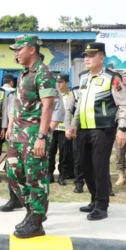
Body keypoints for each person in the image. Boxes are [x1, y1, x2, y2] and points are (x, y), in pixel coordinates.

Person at [6, 35, 57, 238]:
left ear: (32, 49)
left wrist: (42, 137)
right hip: (19, 135)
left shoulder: (43, 73)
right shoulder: (25, 73)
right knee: (13, 175)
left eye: (19, 49)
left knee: (35, 178)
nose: (16, 53)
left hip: (35, 134)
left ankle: (36, 221)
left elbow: (48, 106)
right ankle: (32, 212)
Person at [70, 43, 126, 221]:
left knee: (99, 167)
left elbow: (123, 104)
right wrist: (74, 123)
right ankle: (94, 199)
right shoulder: (84, 77)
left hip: (103, 129)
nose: (87, 58)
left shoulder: (112, 78)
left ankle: (102, 205)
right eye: (85, 55)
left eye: (91, 55)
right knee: (85, 166)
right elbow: (80, 104)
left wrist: (122, 128)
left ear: (102, 58)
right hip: (84, 128)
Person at [48, 74, 73, 186]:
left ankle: (62, 176)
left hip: (64, 129)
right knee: (50, 152)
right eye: (57, 82)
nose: (58, 84)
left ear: (67, 83)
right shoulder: (52, 94)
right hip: (52, 128)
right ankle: (49, 175)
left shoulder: (71, 94)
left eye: (61, 82)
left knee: (64, 154)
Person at [65, 85, 85, 193]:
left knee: (98, 159)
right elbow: (68, 110)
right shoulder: (75, 92)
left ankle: (106, 186)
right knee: (78, 158)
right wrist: (68, 127)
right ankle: (79, 183)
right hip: (78, 128)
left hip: (97, 128)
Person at [115, 70, 126, 186]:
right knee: (119, 151)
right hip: (120, 125)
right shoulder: (117, 90)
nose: (125, 78)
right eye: (123, 76)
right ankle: (121, 175)